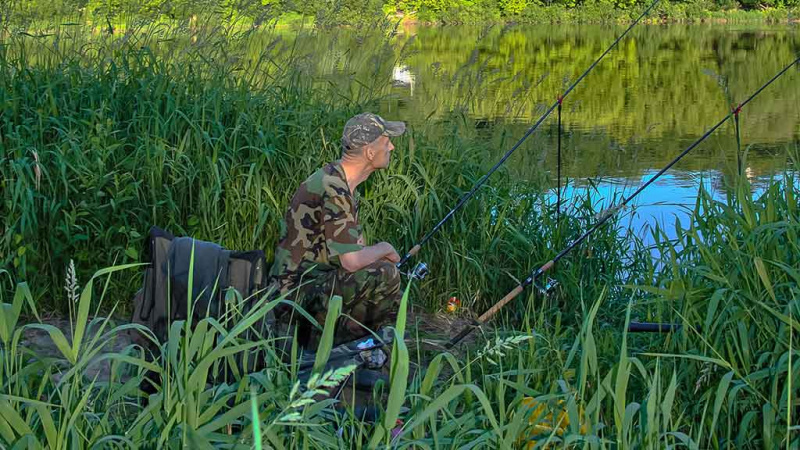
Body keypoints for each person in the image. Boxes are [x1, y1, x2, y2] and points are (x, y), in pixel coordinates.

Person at [268, 112, 406, 347]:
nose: (391, 147)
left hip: (313, 282)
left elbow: (357, 248)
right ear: (370, 153)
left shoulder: (341, 182)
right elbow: (351, 261)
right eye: (386, 142)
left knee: (388, 284)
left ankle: (350, 343)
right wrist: (385, 248)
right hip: (291, 296)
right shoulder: (334, 188)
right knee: (385, 274)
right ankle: (337, 349)